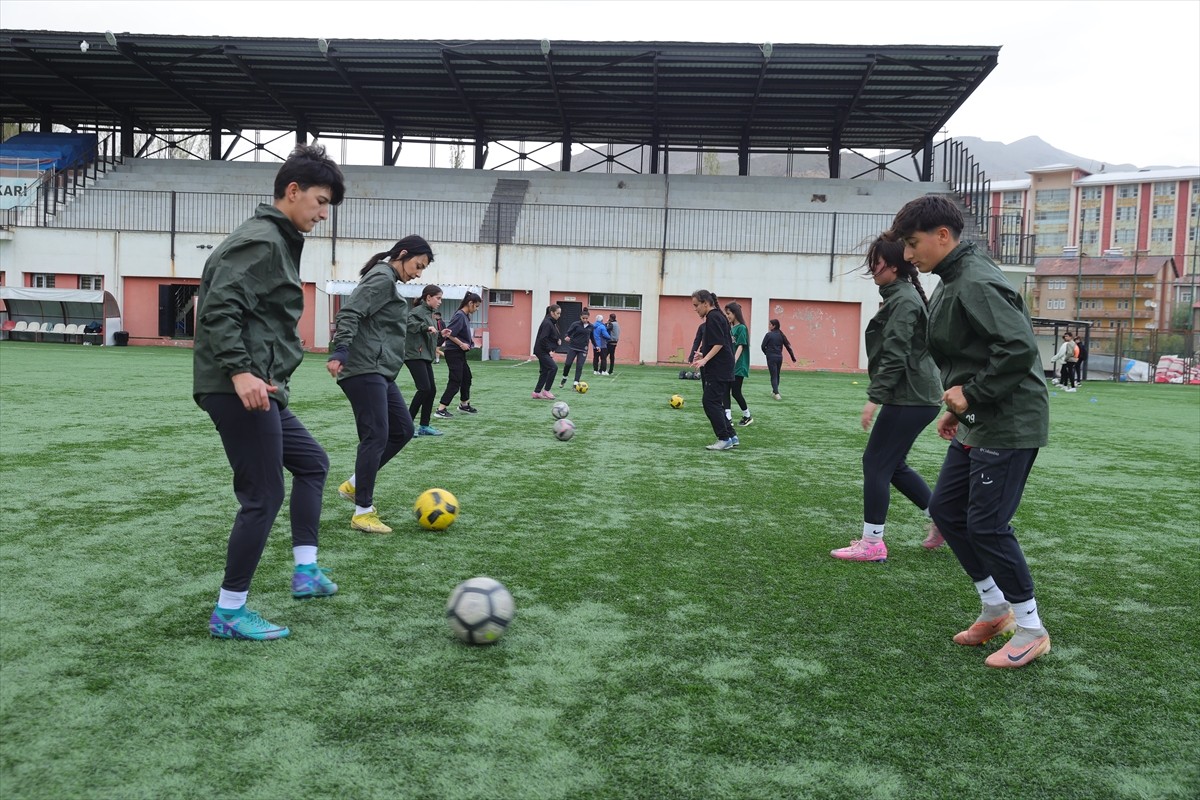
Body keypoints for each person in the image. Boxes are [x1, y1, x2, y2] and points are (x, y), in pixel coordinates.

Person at [889, 194, 1051, 669]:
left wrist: (972, 396)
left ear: (943, 235)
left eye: (913, 243)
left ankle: (1031, 628)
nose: (908, 255)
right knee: (946, 510)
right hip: (980, 416)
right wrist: (961, 409)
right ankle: (995, 607)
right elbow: (973, 352)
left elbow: (1019, 348)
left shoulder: (976, 280)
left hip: (1009, 419)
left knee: (987, 524)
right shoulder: (952, 277)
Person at [193, 143, 345, 641]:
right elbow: (217, 309)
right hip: (241, 387)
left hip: (264, 388)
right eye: (321, 202)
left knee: (312, 463)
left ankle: (306, 571)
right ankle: (229, 611)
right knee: (262, 495)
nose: (324, 214)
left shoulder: (278, 241)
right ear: (293, 191)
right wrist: (240, 373)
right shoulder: (261, 240)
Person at [830, 237, 944, 563]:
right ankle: (943, 520)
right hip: (915, 396)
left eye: (876, 261)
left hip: (911, 397)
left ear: (894, 265)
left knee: (876, 463)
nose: (871, 267)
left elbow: (896, 352)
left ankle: (873, 543)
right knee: (893, 465)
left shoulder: (904, 300)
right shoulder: (901, 296)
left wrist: (875, 398)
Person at [327, 235, 434, 534]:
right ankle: (363, 511)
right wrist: (341, 350)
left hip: (380, 370)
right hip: (363, 368)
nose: (418, 273)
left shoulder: (387, 281)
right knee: (376, 435)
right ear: (402, 254)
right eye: (417, 265)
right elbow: (350, 312)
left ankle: (355, 484)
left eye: (423, 269)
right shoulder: (381, 278)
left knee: (403, 430)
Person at [691, 289, 737, 450]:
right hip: (723, 366)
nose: (695, 309)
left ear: (705, 303)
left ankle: (724, 438)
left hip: (719, 368)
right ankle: (731, 436)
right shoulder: (717, 316)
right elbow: (720, 343)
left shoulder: (713, 317)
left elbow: (719, 343)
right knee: (716, 402)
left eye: (696, 305)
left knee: (710, 402)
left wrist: (705, 359)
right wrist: (703, 354)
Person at [435, 291, 482, 418]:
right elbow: (449, 333)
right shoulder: (460, 316)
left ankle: (464, 405)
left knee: (467, 378)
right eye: (476, 306)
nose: (477, 309)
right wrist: (461, 344)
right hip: (453, 352)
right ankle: (441, 409)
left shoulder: (466, 316)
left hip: (460, 353)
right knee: (455, 381)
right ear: (470, 303)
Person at [406, 284, 445, 436]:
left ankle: (424, 426)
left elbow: (433, 338)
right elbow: (410, 325)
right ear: (428, 298)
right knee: (424, 389)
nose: (440, 301)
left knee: (431, 390)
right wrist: (425, 327)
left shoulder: (432, 315)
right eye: (438, 298)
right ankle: (407, 425)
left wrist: (443, 335)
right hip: (414, 355)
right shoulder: (416, 312)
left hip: (425, 356)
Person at [724, 301, 753, 427]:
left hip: (738, 365)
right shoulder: (731, 328)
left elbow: (740, 346)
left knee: (735, 392)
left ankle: (747, 416)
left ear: (735, 313)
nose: (727, 316)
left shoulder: (741, 328)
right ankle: (728, 418)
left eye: (729, 313)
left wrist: (733, 361)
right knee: (725, 390)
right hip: (730, 365)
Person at [760, 319, 797, 400]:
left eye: (770, 324)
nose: (769, 326)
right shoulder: (781, 335)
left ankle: (776, 393)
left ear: (774, 326)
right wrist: (793, 357)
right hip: (779, 357)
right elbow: (788, 347)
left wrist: (767, 353)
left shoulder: (768, 335)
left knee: (773, 375)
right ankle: (774, 391)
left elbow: (762, 346)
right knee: (777, 374)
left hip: (771, 357)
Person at [533, 304, 562, 398]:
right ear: (552, 313)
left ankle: (537, 392)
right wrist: (549, 350)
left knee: (545, 370)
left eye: (560, 313)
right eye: (557, 313)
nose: (559, 315)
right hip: (541, 350)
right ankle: (546, 390)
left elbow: (551, 335)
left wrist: (557, 340)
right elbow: (543, 338)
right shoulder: (547, 323)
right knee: (553, 368)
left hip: (542, 350)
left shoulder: (552, 322)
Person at [558, 311, 591, 390]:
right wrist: (566, 336)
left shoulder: (591, 326)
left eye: (586, 318)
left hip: (583, 349)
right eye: (583, 318)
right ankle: (564, 378)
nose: (585, 320)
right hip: (573, 347)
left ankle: (575, 383)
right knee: (568, 364)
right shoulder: (575, 324)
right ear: (580, 317)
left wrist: (597, 346)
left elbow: (592, 337)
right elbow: (568, 333)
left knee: (579, 366)